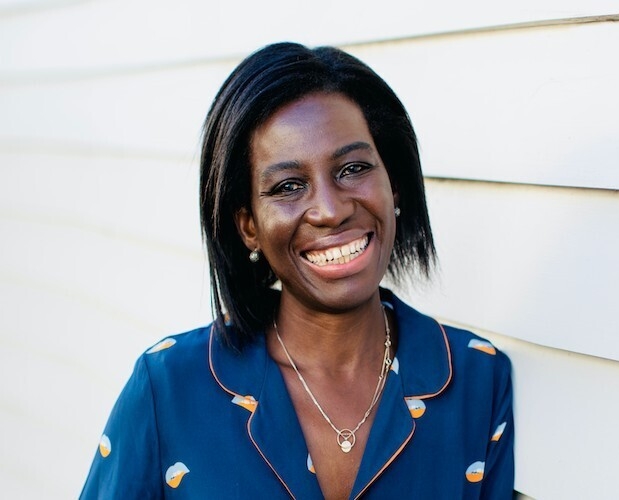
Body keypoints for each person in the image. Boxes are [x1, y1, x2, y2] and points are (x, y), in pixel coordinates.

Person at [81, 42, 514, 499]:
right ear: (248, 225)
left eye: (352, 168)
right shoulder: (167, 388)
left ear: (395, 184)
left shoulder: (475, 380)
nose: (329, 210)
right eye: (289, 186)